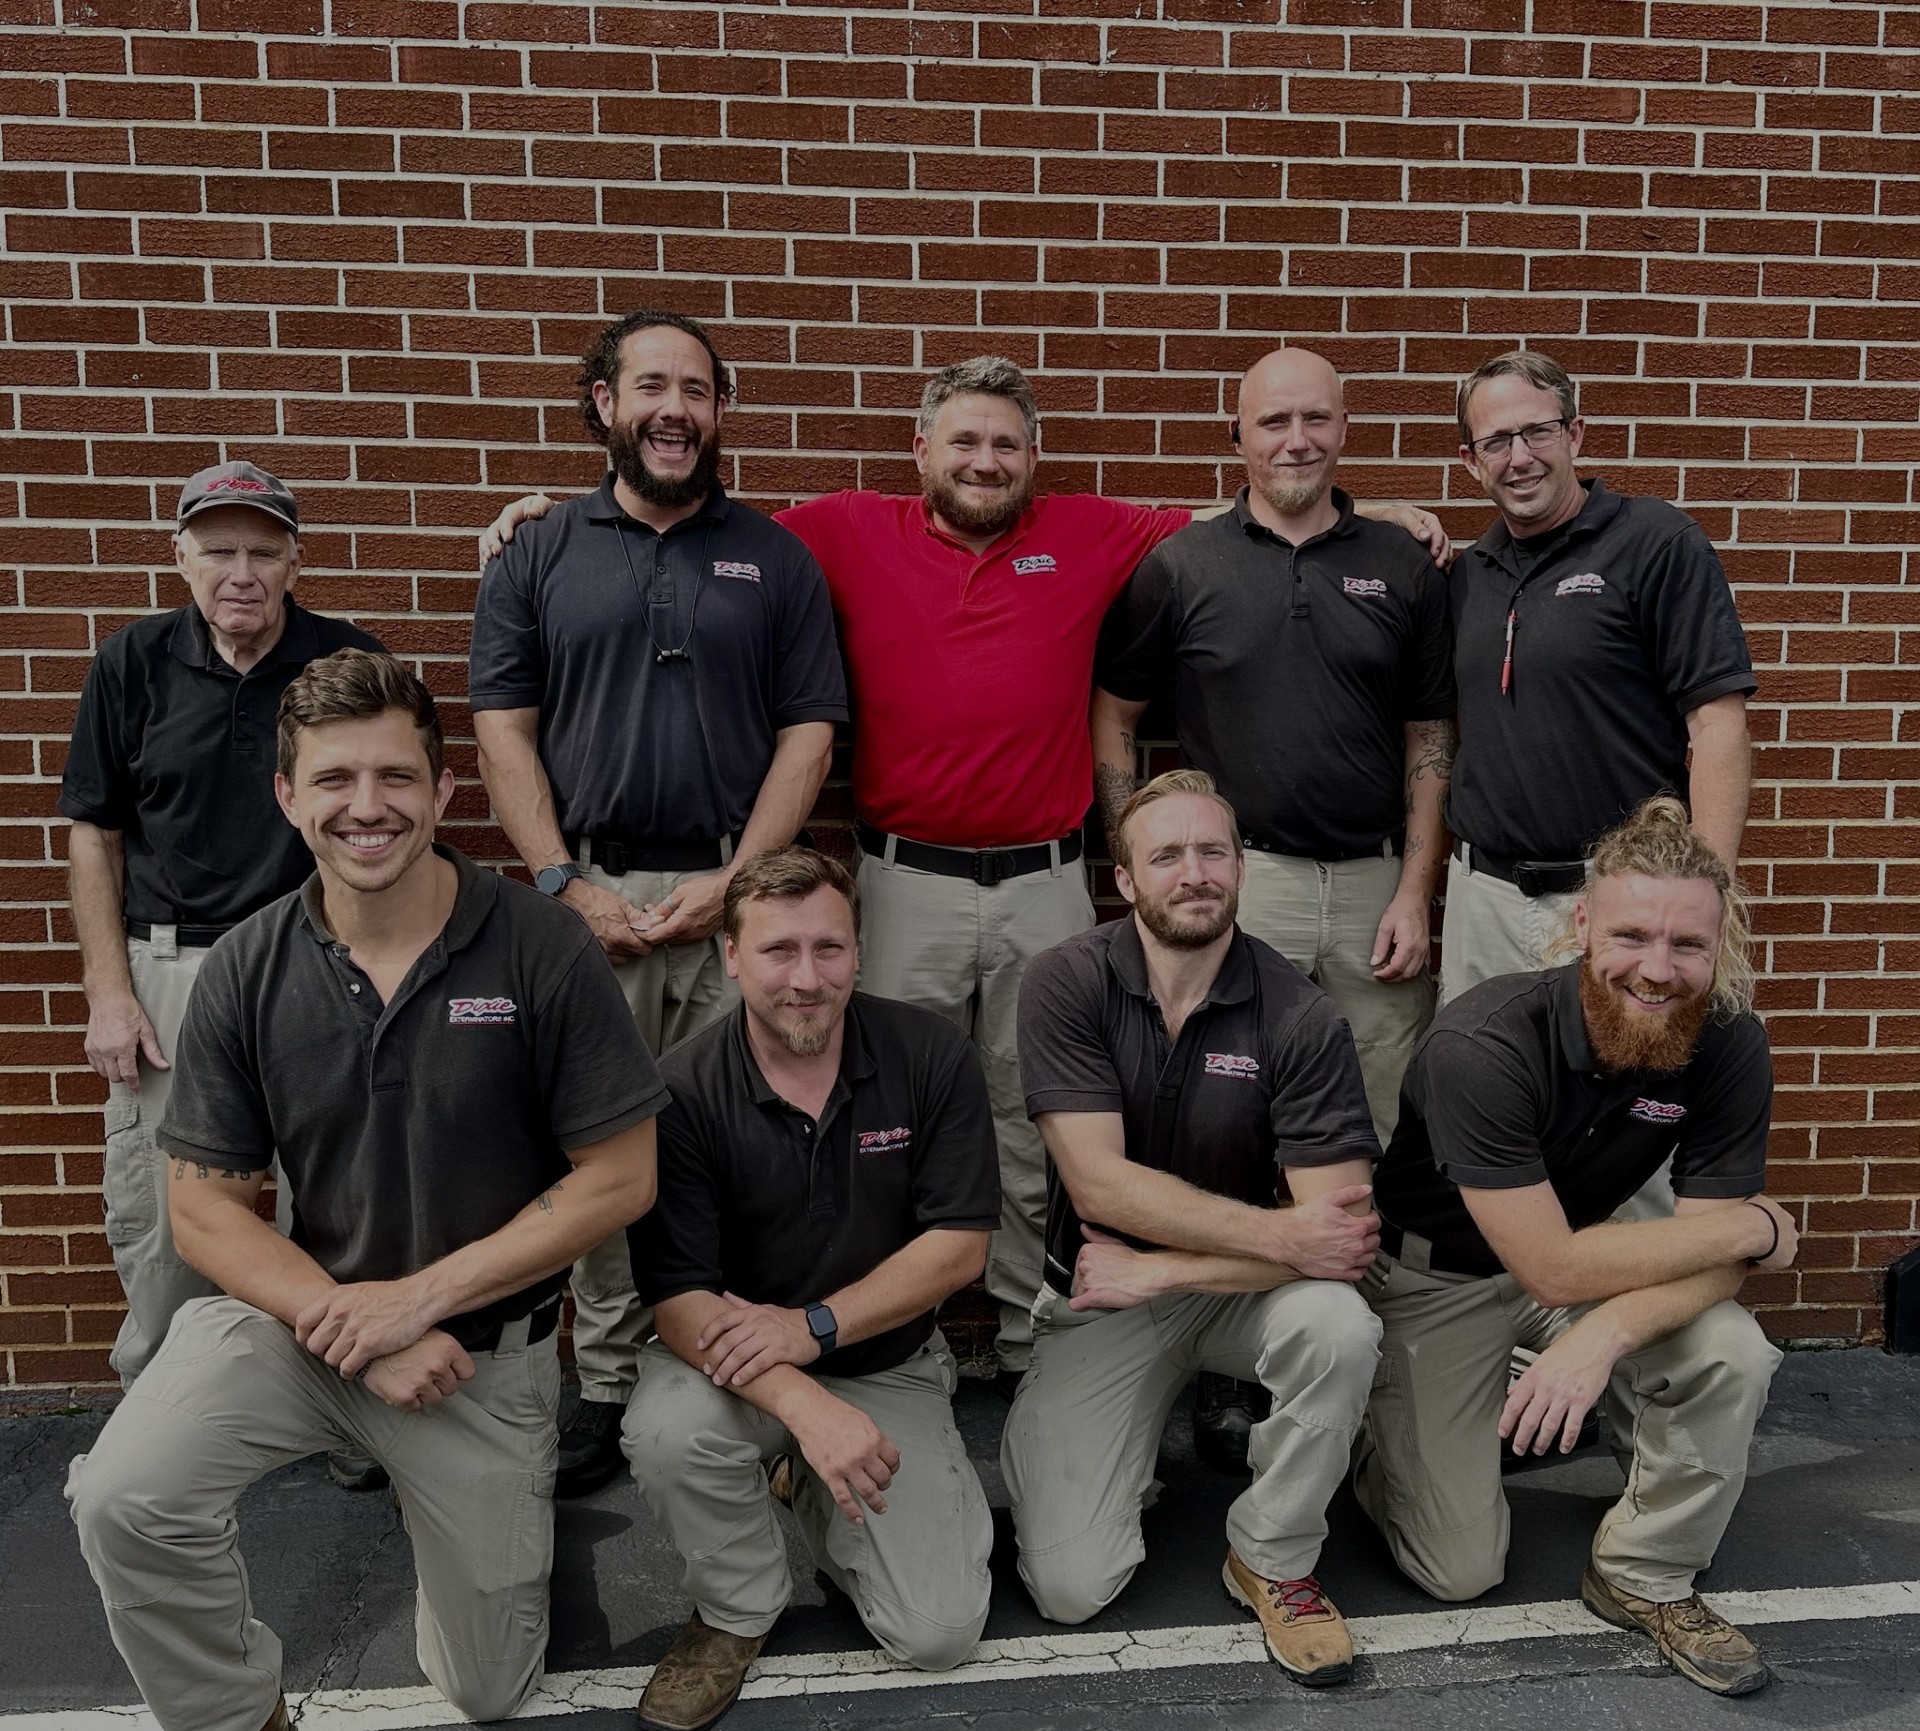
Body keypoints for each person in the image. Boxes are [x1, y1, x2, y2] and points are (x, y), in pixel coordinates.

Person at [478, 356, 1447, 1399]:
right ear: (921, 452)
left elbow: (1249, 511)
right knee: (874, 1113)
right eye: (965, 442)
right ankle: (893, 1345)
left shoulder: (1089, 532)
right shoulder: (845, 529)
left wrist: (1374, 513)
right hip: (905, 883)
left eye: (1006, 445)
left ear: (1034, 457)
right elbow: (697, 522)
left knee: (1043, 1116)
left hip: (1045, 881)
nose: (985, 462)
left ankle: (1035, 1340)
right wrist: (548, 517)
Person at [65, 649, 666, 1731]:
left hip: (478, 1361)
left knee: (486, 1689)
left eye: (396, 776)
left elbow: (620, 1179)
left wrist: (417, 1303)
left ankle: (497, 1517)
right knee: (123, 1496)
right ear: (288, 797)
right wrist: (360, 1325)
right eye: (334, 779)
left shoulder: (541, 948)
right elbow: (204, 1209)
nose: (367, 806)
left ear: (444, 789)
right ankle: (237, 1713)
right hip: (303, 1329)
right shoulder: (247, 965)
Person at [469, 309, 847, 1492]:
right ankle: (609, 1379)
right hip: (590, 892)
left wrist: (737, 885)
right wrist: (560, 882)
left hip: (739, 889)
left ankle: (752, 1368)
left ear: (720, 411)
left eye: (696, 390)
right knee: (599, 1147)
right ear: (606, 404)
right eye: (651, 387)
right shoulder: (537, 552)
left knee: (756, 1137)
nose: (674, 409)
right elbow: (502, 729)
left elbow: (810, 732)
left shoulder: (775, 558)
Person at [1091, 350, 1455, 1468]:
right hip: (1243, 880)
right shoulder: (1182, 564)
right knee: (1230, 1115)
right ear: (1236, 434)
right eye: (1272, 421)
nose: (1295, 439)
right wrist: (1136, 847)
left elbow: (1431, 736)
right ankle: (1225, 1362)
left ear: (1345, 428)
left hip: (1376, 881)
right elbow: (1115, 715)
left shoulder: (1401, 562)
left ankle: (1358, 1346)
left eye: (1315, 419)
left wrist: (1417, 888)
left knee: (1379, 1119)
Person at [1358, 796, 1797, 1697]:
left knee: (1733, 1350)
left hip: (1587, 1267)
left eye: (1687, 944)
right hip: (1436, 1275)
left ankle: (1644, 1571)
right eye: (1632, 935)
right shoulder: (1485, 1040)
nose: (1658, 969)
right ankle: (1382, 1437)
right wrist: (1759, 1228)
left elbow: (1706, 1263)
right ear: (1584, 922)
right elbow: (1556, 1265)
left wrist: (1604, 1335)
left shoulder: (1727, 1039)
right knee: (1457, 1569)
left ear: (1719, 943)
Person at [1004, 770, 1384, 1688]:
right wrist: (1284, 1236)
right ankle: (1119, 1457)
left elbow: (1338, 1235)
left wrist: (1165, 1269)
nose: (1194, 872)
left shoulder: (1300, 1013)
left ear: (1241, 869)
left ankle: (1273, 1556)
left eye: (1213, 851)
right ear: (1125, 879)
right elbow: (1098, 1186)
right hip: (1103, 1296)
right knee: (1070, 1585)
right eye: (1166, 855)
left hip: (1222, 1291)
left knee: (1340, 1325)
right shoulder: (1067, 980)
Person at [59, 462, 390, 1492]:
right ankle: (160, 1420)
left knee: (333, 1198)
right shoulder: (132, 663)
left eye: (262, 550)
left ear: (294, 559)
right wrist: (109, 992)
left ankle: (347, 1414)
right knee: (167, 1214)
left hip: (313, 960)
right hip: (172, 970)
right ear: (181, 557)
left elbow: (386, 821)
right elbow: (94, 835)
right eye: (218, 550)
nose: (240, 572)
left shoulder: (347, 663)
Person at [623, 848, 999, 1731]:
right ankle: (735, 1607)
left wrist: (815, 1326)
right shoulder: (680, 1090)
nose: (806, 978)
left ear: (859, 952)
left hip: (885, 1362)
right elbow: (678, 1302)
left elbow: (960, 1248)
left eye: (828, 948)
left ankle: (811, 1484)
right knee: (668, 1431)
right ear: (730, 955)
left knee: (937, 1631)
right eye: (778, 950)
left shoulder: (931, 1055)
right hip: (735, 1366)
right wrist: (807, 1402)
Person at [1441, 350, 1755, 1004]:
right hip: (1483, 901)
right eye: (1497, 441)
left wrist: (1706, 896)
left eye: (1538, 431)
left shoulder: (1656, 544)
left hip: (1619, 903)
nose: (1520, 457)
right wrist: (1391, 514)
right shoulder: (1468, 576)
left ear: (1574, 433)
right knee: (1479, 1067)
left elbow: (1718, 727)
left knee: (1620, 1070)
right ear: (1471, 461)